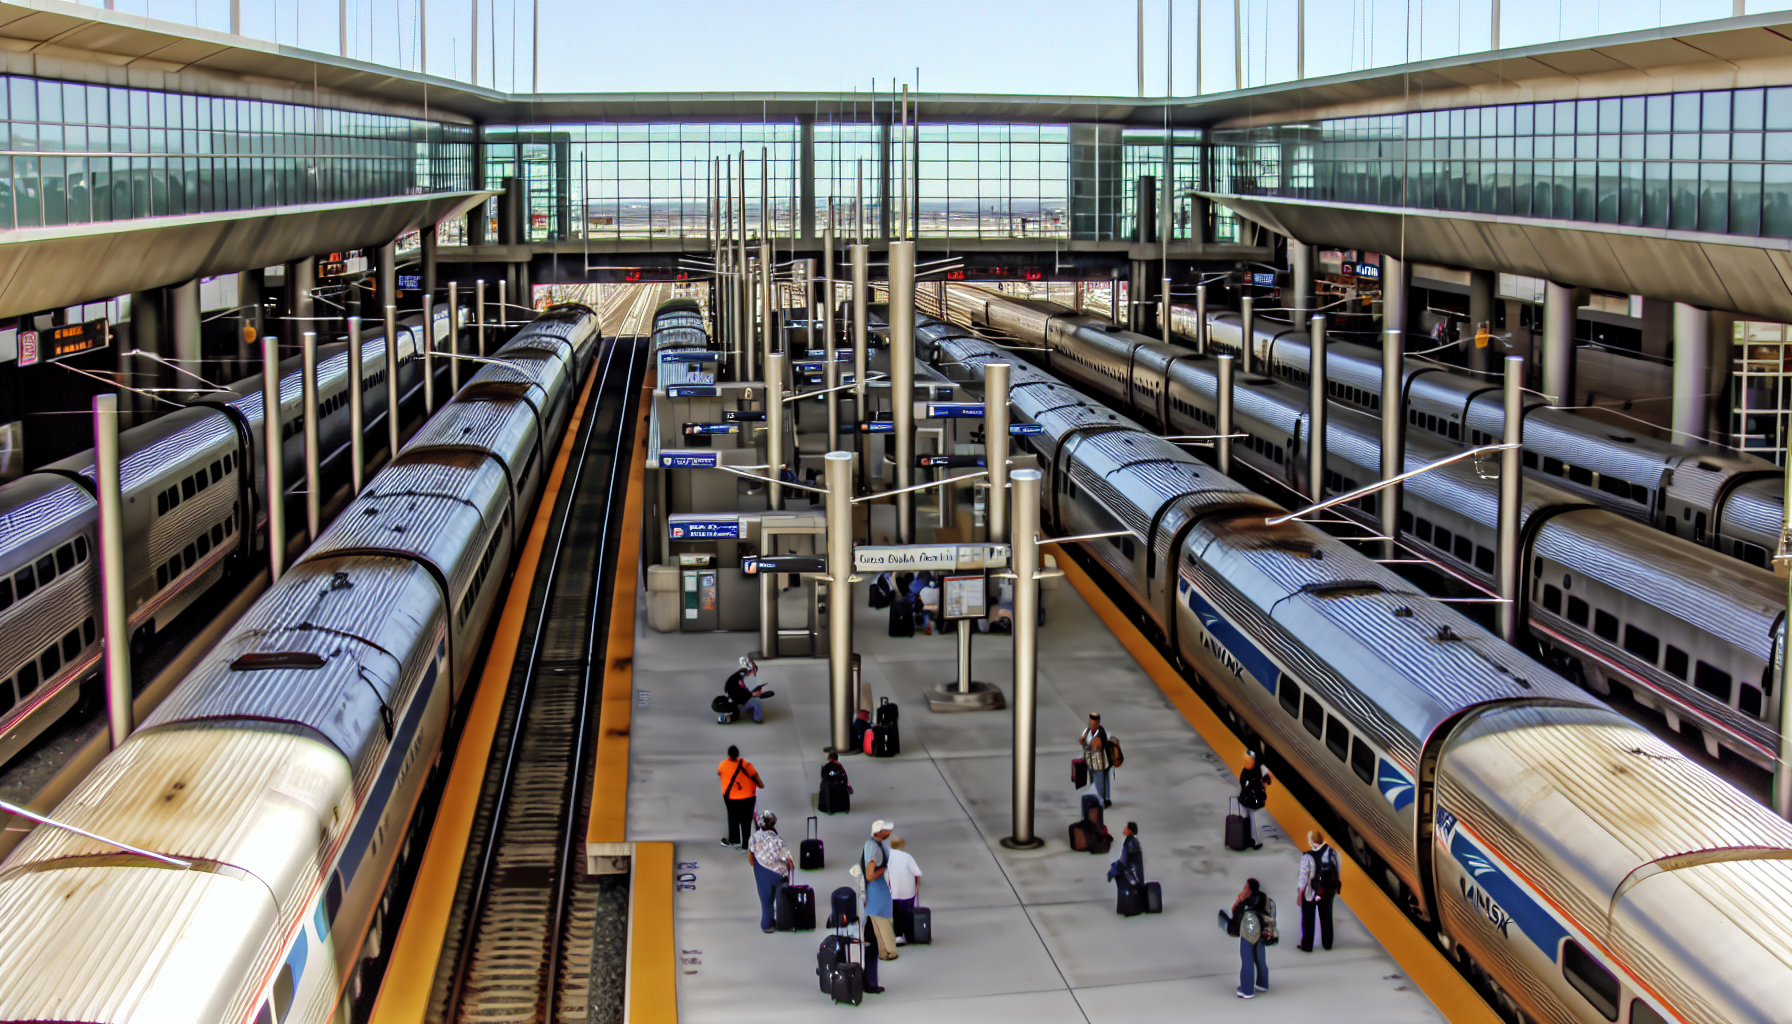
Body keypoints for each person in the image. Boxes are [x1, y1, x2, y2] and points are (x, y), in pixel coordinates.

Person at [1221, 877, 1270, 999]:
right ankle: (1262, 983)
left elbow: (1235, 914)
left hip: (1248, 930)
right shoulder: (1263, 897)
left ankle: (1247, 989)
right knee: (1260, 957)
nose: (1244, 888)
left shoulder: (1245, 901)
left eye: (1245, 886)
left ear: (1249, 889)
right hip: (1261, 929)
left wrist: (1239, 900)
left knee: (1247, 958)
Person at [748, 811, 795, 933]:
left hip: (761, 872)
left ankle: (767, 924)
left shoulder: (753, 838)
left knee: (766, 901)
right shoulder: (777, 839)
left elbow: (750, 858)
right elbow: (787, 858)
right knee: (780, 898)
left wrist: (759, 868)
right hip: (779, 874)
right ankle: (783, 920)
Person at [861, 820, 898, 963]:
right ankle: (889, 950)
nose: (889, 832)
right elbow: (870, 874)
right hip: (876, 888)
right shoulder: (874, 848)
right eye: (887, 830)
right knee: (882, 920)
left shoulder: (875, 844)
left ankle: (883, 951)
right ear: (879, 832)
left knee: (877, 920)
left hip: (877, 888)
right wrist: (882, 871)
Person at [1296, 831, 1339, 952]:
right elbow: (1338, 871)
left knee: (1308, 919)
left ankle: (1307, 945)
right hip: (1328, 891)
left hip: (1311, 892)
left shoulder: (1308, 856)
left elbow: (1303, 878)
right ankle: (1327, 944)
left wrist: (1300, 894)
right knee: (1326, 917)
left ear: (1311, 841)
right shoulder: (1333, 853)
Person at [717, 745, 763, 849]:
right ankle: (746, 845)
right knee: (746, 821)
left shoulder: (722, 765)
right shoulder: (746, 765)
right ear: (738, 754)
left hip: (731, 798)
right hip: (748, 797)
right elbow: (756, 778)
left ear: (729, 755)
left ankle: (734, 840)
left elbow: (719, 773)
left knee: (733, 819)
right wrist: (760, 785)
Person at [887, 835, 923, 943]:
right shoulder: (907, 857)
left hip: (894, 891)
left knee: (896, 914)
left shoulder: (888, 857)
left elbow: (887, 875)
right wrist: (917, 888)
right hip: (908, 891)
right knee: (907, 914)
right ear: (902, 845)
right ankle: (910, 936)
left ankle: (898, 936)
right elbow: (917, 873)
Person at [1236, 750, 1272, 850]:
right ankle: (1251, 841)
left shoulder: (1247, 772)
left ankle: (1246, 841)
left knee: (1247, 820)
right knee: (1250, 821)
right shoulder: (1252, 772)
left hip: (1247, 801)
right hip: (1249, 801)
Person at [1080, 712, 1113, 808]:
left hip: (1100, 762)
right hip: (1090, 762)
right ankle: (1100, 798)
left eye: (1093, 723)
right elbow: (1083, 740)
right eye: (1090, 723)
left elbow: (1099, 745)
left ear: (1097, 723)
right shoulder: (1087, 731)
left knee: (1100, 781)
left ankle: (1102, 800)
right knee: (1094, 781)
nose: (1091, 725)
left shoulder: (1101, 732)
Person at [723, 656, 768, 724]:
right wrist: (753, 694)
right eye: (751, 670)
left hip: (737, 701)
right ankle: (758, 719)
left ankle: (750, 712)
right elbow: (742, 695)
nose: (753, 673)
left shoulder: (738, 679)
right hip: (737, 703)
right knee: (757, 702)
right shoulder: (740, 681)